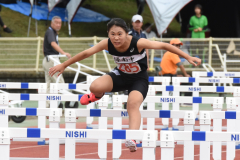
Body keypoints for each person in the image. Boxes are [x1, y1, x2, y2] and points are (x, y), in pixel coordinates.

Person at [49, 18, 201, 152]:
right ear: (108, 34)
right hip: (120, 76)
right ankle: (97, 96)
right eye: (112, 34)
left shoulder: (138, 42)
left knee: (132, 104)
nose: (116, 38)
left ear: (127, 33)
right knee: (94, 86)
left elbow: (164, 46)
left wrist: (187, 57)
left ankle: (133, 137)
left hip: (138, 80)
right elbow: (85, 53)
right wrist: (64, 65)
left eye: (119, 34)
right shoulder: (107, 44)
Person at [43, 16, 71, 108]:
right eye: (57, 23)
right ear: (52, 23)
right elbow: (53, 43)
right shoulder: (50, 32)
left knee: (49, 84)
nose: (59, 25)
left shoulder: (52, 32)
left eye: (60, 23)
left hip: (48, 60)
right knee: (59, 82)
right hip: (51, 59)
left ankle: (48, 105)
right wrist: (63, 53)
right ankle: (68, 101)